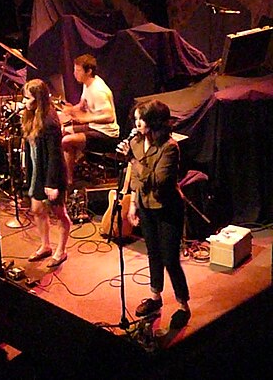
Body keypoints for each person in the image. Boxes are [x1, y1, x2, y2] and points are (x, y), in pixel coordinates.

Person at [116, 99, 191, 329]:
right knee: (153, 254)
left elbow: (158, 180)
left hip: (167, 209)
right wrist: (132, 205)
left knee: (170, 259)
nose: (137, 123)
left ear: (154, 121)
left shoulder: (169, 147)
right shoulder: (137, 143)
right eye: (136, 119)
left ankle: (183, 305)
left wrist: (132, 159)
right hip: (146, 207)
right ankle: (155, 297)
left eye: (141, 119)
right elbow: (138, 179)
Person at [22, 79, 71, 268]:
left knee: (59, 213)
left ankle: (62, 249)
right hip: (37, 172)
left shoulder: (50, 121)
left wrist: (52, 184)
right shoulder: (30, 116)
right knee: (37, 209)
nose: (24, 101)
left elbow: (54, 156)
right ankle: (45, 246)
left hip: (51, 174)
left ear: (37, 99)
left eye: (28, 98)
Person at [61, 54, 119, 187]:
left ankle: (69, 181)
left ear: (89, 71)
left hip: (106, 134)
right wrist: (69, 110)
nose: (74, 74)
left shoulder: (99, 90)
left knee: (66, 141)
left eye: (78, 71)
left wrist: (85, 118)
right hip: (94, 128)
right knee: (65, 131)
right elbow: (82, 105)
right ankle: (77, 164)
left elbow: (109, 117)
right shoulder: (87, 84)